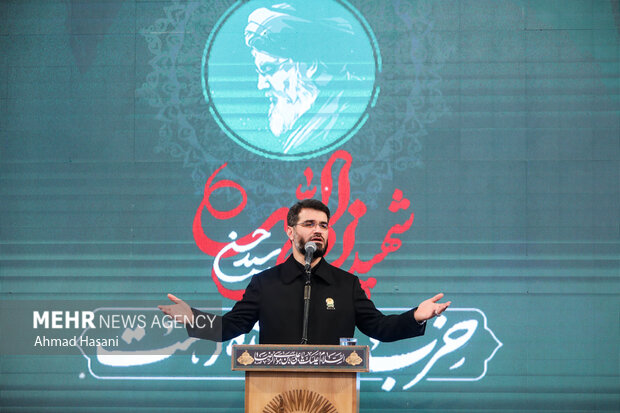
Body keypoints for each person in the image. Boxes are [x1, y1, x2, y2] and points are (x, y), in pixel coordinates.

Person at [158, 199, 451, 345]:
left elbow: (379, 328)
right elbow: (232, 326)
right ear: (290, 231)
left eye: (323, 225)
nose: (318, 231)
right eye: (309, 224)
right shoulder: (265, 283)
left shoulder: (346, 284)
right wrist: (192, 318)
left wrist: (415, 316)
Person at [243, 2, 368, 154]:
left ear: (310, 66)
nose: (260, 85)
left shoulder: (348, 113)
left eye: (270, 69)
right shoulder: (314, 123)